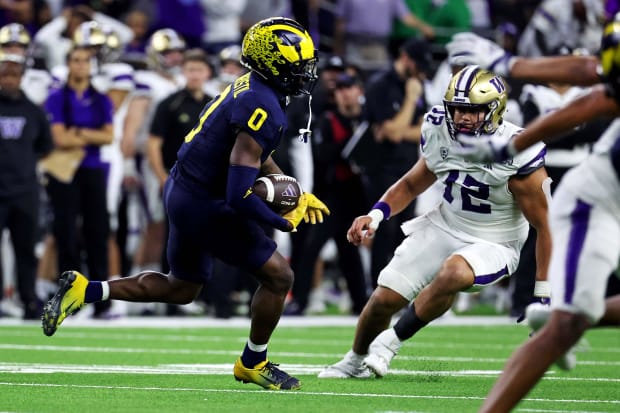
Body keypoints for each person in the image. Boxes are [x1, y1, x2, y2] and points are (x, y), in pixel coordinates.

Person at [41, 17, 329, 391]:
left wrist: (295, 191)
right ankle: (253, 362)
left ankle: (87, 289)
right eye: (298, 63)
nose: (306, 71)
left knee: (182, 288)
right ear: (274, 62)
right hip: (205, 201)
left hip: (184, 188)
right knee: (280, 276)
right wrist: (282, 220)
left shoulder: (253, 87)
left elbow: (254, 152)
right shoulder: (263, 104)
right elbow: (238, 193)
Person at [318, 65, 552, 379]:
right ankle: (354, 358)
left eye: (473, 111)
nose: (462, 118)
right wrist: (375, 214)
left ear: (495, 110)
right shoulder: (438, 128)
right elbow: (413, 184)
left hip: (495, 239)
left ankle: (390, 343)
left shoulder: (517, 151)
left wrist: (544, 294)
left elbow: (546, 226)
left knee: (453, 272)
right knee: (384, 297)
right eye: (457, 109)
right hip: (445, 223)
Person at [445, 25, 620, 413]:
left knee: (573, 317)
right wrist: (511, 143)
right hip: (605, 196)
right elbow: (595, 91)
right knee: (564, 328)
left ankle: (572, 313)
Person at [43, 45, 115, 318]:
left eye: (86, 61)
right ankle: (67, 297)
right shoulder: (57, 97)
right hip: (64, 171)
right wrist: (90, 135)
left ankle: (100, 298)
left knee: (98, 231)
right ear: (69, 64)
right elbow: (59, 138)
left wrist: (78, 132)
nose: (81, 65)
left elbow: (109, 136)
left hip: (93, 169)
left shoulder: (100, 98)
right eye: (76, 60)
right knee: (66, 232)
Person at [0, 52, 53, 319]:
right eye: (4, 75)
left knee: (25, 249)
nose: (9, 80)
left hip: (24, 189)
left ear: (21, 78)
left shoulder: (33, 110)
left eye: (13, 75)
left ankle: (29, 299)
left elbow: (46, 146)